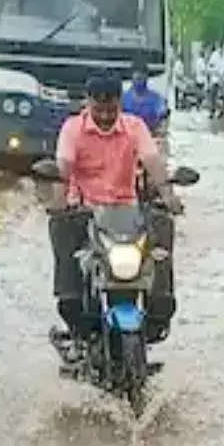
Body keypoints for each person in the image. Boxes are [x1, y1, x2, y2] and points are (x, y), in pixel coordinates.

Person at [48, 74, 182, 362]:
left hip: (126, 213)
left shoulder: (135, 127)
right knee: (61, 230)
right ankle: (75, 316)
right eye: (100, 110)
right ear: (88, 104)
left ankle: (159, 307)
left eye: (112, 110)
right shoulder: (73, 129)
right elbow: (63, 168)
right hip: (85, 212)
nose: (106, 117)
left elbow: (153, 161)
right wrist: (58, 202)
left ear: (120, 104)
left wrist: (169, 196)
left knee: (162, 225)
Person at [121, 59, 168, 137]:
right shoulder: (123, 98)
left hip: (149, 137)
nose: (139, 82)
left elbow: (163, 122)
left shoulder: (157, 99)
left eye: (141, 78)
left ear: (147, 77)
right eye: (137, 78)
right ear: (131, 76)